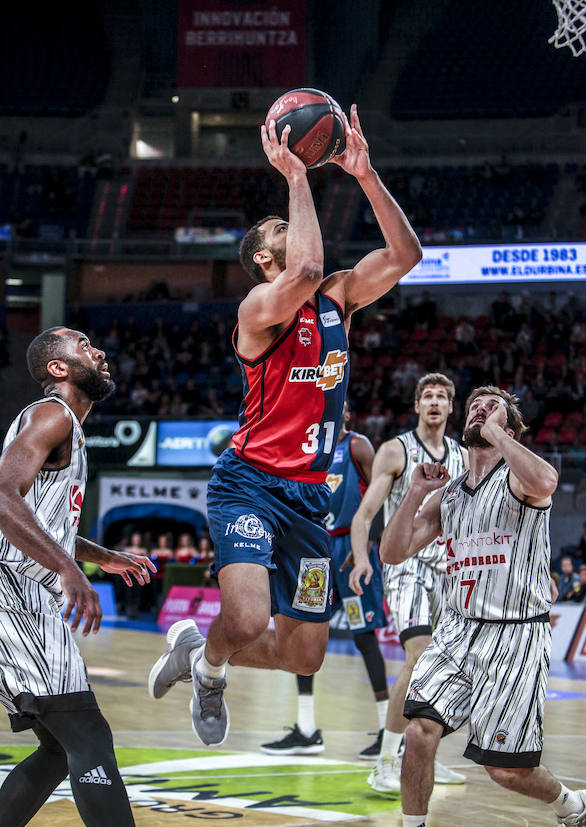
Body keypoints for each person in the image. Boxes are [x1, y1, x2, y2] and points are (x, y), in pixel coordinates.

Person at [147, 104, 422, 746]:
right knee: (244, 620)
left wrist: (363, 172)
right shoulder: (257, 311)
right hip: (247, 483)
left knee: (305, 656)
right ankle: (212, 668)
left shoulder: (338, 300)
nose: (296, 231)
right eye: (283, 229)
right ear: (265, 259)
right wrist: (297, 175)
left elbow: (406, 254)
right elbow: (302, 270)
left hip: (309, 494)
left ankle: (193, 647)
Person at [366, 386, 586, 827]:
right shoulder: (449, 495)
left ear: (509, 430)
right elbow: (392, 550)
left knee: (506, 771)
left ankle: (574, 806)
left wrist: (496, 429)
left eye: (491, 407)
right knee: (419, 729)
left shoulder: (520, 478)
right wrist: (412, 493)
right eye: (474, 405)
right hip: (457, 629)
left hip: (516, 635)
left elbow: (547, 479)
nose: (477, 409)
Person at [0, 327, 161, 827]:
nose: (99, 351)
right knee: (88, 735)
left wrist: (101, 557)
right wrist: (69, 572)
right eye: (83, 344)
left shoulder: (70, 428)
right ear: (58, 367)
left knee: (59, 749)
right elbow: (2, 497)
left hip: (25, 591)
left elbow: (47, 522)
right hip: (16, 592)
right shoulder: (52, 416)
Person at [349, 373, 468, 791]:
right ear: (417, 406)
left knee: (452, 669)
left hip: (450, 571)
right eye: (428, 396)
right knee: (418, 657)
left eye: (442, 397)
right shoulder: (395, 450)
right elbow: (364, 516)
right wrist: (362, 559)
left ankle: (423, 757)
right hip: (407, 566)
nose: (434, 402)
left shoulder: (464, 456)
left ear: (451, 408)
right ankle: (384, 761)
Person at [259, 401, 389, 758]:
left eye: (342, 406)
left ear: (347, 414)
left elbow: (383, 496)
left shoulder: (358, 445)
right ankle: (305, 729)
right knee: (302, 634)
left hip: (350, 548)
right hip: (314, 550)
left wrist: (366, 545)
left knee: (364, 637)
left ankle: (389, 734)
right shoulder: (304, 451)